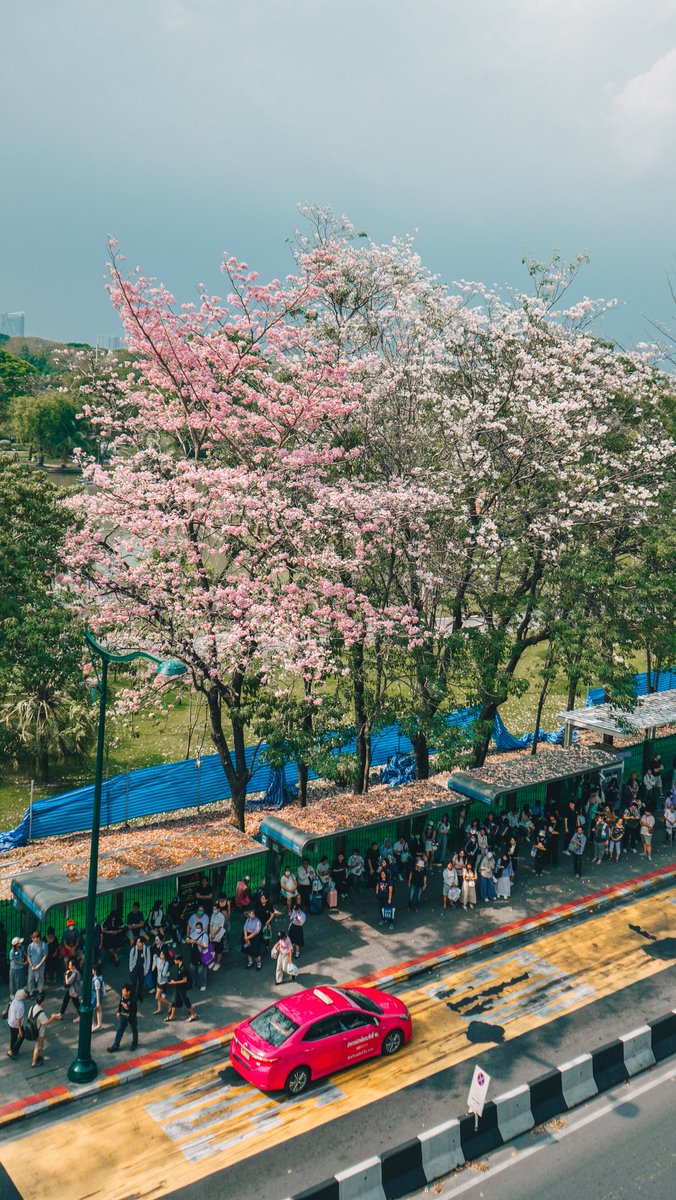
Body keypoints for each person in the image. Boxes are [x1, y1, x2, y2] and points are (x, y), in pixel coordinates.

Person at [164, 953, 197, 1022]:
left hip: (182, 987)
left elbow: (185, 980)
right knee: (174, 1001)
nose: (174, 961)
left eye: (175, 960)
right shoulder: (179, 966)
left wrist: (174, 982)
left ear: (178, 960)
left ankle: (193, 1015)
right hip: (178, 987)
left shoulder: (183, 969)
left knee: (185, 1001)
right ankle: (172, 1016)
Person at [27, 991, 55, 1067]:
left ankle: (36, 1056)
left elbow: (29, 1017)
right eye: (44, 1001)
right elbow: (46, 1023)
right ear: (42, 1002)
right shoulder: (41, 1014)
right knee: (38, 1047)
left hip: (32, 1029)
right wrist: (53, 1017)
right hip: (39, 1033)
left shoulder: (32, 1007)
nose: (45, 1002)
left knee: (39, 1045)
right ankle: (34, 1062)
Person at [107, 983, 138, 1052]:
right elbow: (120, 1004)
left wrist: (129, 1014)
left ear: (128, 992)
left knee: (134, 1029)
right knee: (120, 1029)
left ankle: (135, 1043)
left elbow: (134, 1011)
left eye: (124, 991)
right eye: (122, 991)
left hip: (131, 1016)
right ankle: (116, 1045)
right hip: (123, 1015)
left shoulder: (133, 1000)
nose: (122, 992)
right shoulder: (123, 996)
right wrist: (119, 1011)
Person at [186, 922, 210, 992]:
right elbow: (187, 940)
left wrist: (197, 943)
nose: (197, 929)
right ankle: (194, 981)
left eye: (199, 928)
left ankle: (203, 984)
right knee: (192, 969)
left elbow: (206, 946)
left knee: (201, 971)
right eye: (196, 927)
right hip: (194, 955)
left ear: (202, 928)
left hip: (201, 956)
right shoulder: (193, 934)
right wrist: (188, 941)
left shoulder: (204, 935)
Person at [128, 936, 152, 1003]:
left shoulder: (146, 949)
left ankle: (139, 995)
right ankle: (132, 996)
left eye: (139, 942)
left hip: (142, 969)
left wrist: (146, 970)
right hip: (135, 968)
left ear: (143, 943)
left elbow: (148, 960)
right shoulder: (133, 950)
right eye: (137, 942)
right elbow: (130, 960)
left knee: (141, 983)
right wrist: (131, 969)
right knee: (133, 983)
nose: (137, 943)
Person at [209, 896, 230, 971]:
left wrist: (213, 934)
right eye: (213, 909)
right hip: (212, 935)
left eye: (215, 909)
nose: (214, 910)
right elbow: (211, 924)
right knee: (212, 950)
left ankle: (218, 963)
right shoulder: (213, 915)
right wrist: (211, 933)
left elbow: (219, 927)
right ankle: (213, 961)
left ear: (218, 909)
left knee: (218, 950)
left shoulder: (221, 917)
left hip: (218, 936)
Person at [26, 931, 47, 997]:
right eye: (32, 938)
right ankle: (31, 992)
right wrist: (31, 965)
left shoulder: (44, 945)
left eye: (34, 938)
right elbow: (28, 956)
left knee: (40, 978)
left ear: (38, 938)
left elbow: (45, 956)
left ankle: (40, 991)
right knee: (30, 979)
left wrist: (39, 965)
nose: (32, 939)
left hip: (41, 966)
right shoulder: (30, 946)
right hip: (32, 966)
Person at [7, 988, 26, 1059]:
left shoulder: (14, 1000)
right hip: (15, 1024)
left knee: (13, 1037)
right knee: (22, 1035)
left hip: (10, 1022)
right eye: (24, 995)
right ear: (21, 997)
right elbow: (18, 1019)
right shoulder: (21, 1006)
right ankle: (12, 1051)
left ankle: (12, 1050)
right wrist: (20, 1029)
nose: (25, 996)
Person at [152, 948, 172, 1015]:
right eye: (160, 954)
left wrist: (164, 973)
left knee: (157, 997)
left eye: (162, 955)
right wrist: (154, 957)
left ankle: (169, 1004)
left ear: (165, 956)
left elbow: (164, 973)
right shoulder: (158, 959)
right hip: (158, 979)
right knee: (159, 995)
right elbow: (155, 963)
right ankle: (159, 1009)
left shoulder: (166, 963)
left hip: (163, 981)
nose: (161, 955)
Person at [91, 963, 104, 1030]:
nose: (92, 971)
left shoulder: (96, 980)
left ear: (95, 971)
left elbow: (97, 991)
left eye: (93, 970)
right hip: (94, 995)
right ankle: (96, 1024)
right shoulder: (99, 977)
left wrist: (98, 1002)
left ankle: (96, 1024)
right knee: (97, 1010)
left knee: (95, 1009)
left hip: (95, 996)